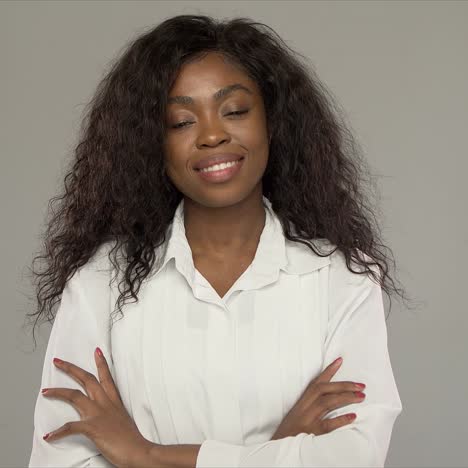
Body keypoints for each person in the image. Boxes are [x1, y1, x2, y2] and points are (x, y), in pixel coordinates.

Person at [27, 14, 409, 467]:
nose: (212, 135)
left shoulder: (342, 278)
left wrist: (144, 455)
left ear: (273, 121)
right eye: (181, 121)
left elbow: (353, 457)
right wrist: (277, 451)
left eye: (235, 111)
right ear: (153, 142)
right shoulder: (98, 285)